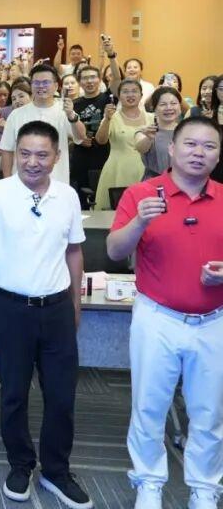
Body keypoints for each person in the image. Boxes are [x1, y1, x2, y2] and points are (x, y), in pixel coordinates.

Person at [0, 121, 91, 509]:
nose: (32, 162)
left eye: (42, 154)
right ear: (15, 154)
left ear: (56, 157)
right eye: (24, 153)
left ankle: (56, 470)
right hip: (8, 309)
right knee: (13, 393)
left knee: (61, 395)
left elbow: (74, 251)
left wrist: (75, 303)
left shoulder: (67, 196)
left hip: (56, 308)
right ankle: (20, 464)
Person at [106, 116, 223, 509]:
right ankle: (149, 483)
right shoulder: (141, 193)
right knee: (149, 406)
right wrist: (140, 221)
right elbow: (115, 251)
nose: (198, 153)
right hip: (157, 318)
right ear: (171, 149)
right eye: (190, 144)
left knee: (209, 411)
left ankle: (204, 488)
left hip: (214, 320)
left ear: (218, 155)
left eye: (209, 146)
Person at [0, 65, 87, 185]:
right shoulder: (16, 115)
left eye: (46, 82)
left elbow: (81, 136)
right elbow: (7, 151)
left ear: (56, 86)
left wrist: (71, 115)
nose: (41, 86)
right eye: (36, 83)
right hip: (21, 183)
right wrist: (7, 182)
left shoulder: (64, 111)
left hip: (56, 182)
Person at [95, 79, 151, 209]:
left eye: (134, 91)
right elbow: (101, 140)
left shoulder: (152, 118)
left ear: (141, 95)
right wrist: (107, 119)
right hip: (117, 171)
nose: (130, 95)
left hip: (146, 171)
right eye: (125, 92)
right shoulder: (112, 117)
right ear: (119, 96)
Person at [70, 65, 112, 209]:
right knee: (82, 201)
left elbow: (118, 79)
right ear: (79, 82)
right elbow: (66, 131)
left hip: (104, 155)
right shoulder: (74, 105)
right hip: (81, 158)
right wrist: (77, 139)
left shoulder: (108, 99)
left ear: (100, 79)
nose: (89, 81)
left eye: (93, 77)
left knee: (102, 199)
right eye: (85, 78)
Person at [135, 87, 184, 180]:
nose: (169, 108)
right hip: (154, 182)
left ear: (180, 106)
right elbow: (140, 148)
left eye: (173, 103)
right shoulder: (146, 131)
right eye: (163, 104)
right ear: (154, 108)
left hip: (183, 182)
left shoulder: (187, 131)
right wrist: (149, 138)